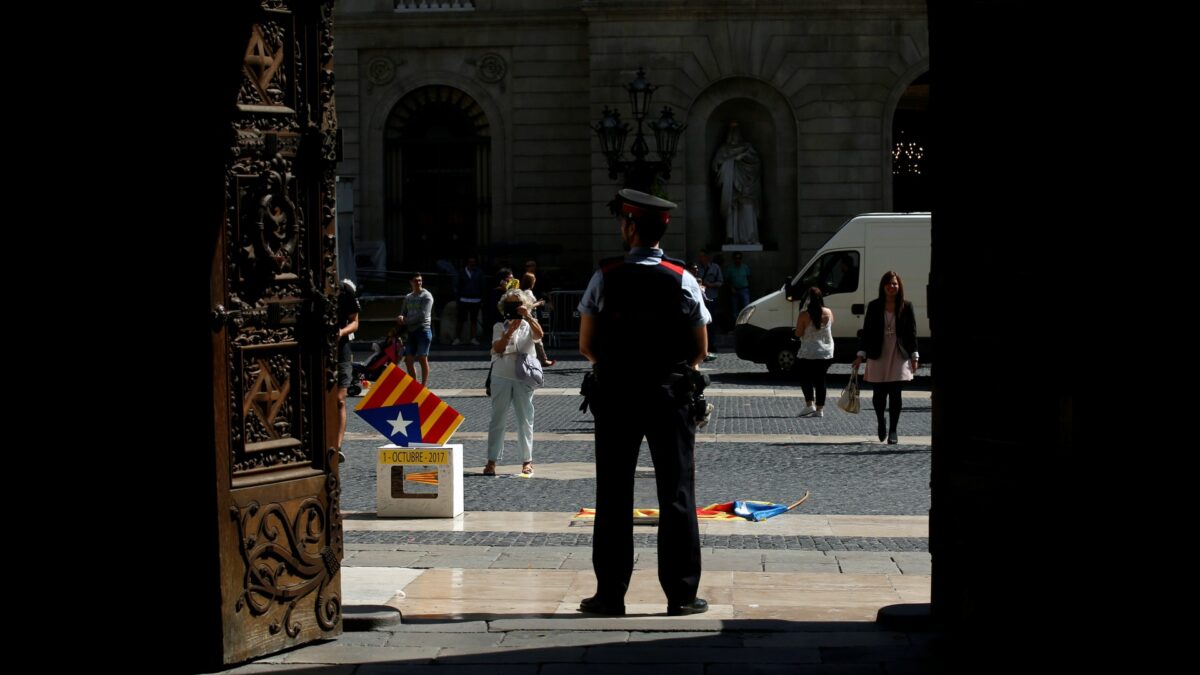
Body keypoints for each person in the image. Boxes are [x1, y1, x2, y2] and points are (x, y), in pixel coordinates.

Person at [577, 188, 711, 617]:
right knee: (676, 492)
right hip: (669, 395)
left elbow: (586, 345)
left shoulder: (605, 276)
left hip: (617, 394)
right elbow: (700, 348)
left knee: (614, 492)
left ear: (631, 227)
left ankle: (610, 594)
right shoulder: (682, 278)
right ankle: (681, 593)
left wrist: (617, 366)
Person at [852, 271, 919, 444]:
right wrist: (860, 355)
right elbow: (866, 332)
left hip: (898, 354)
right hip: (878, 353)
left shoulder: (906, 306)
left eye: (895, 284)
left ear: (899, 286)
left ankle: (893, 430)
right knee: (879, 395)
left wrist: (914, 356)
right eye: (889, 283)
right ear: (883, 286)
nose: (892, 287)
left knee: (896, 394)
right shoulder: (874, 306)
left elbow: (912, 333)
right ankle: (881, 420)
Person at [483, 288, 543, 477]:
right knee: (497, 419)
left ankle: (527, 461)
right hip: (501, 375)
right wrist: (508, 332)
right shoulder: (498, 326)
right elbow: (498, 348)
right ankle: (491, 461)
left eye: (517, 304)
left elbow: (539, 336)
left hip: (523, 377)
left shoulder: (529, 325)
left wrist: (529, 317)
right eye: (510, 304)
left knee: (525, 419)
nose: (514, 308)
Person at [711, 121, 761, 244]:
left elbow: (756, 163)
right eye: (731, 132)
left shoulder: (748, 148)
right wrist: (730, 164)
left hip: (747, 188)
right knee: (732, 213)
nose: (734, 135)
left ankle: (749, 238)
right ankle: (733, 238)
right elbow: (715, 166)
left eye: (736, 132)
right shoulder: (723, 150)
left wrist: (742, 158)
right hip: (731, 188)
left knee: (748, 211)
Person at [794, 287, 834, 417]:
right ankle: (819, 409)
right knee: (820, 380)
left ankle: (809, 404)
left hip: (809, 351)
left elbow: (798, 333)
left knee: (805, 377)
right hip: (825, 351)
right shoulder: (828, 312)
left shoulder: (804, 315)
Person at [335, 279, 360, 463]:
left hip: (341, 350)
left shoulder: (344, 290)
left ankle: (337, 447)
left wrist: (341, 332)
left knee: (339, 400)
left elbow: (355, 322)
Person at [397, 273, 434, 386]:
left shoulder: (427, 296)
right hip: (411, 332)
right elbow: (403, 312)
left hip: (423, 330)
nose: (418, 282)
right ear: (411, 282)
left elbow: (422, 315)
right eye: (416, 280)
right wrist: (401, 317)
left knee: (422, 358)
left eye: (420, 280)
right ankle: (415, 385)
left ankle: (423, 385)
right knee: (408, 360)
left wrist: (406, 321)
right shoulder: (408, 297)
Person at [519, 272, 555, 367]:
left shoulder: (522, 291)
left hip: (528, 316)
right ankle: (543, 360)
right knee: (537, 338)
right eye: (534, 280)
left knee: (534, 338)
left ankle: (542, 359)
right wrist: (539, 303)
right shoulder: (528, 292)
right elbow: (529, 305)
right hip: (530, 316)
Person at [696, 249, 722, 361]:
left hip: (712, 297)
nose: (700, 258)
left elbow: (720, 282)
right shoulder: (697, 268)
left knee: (711, 322)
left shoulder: (715, 268)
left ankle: (712, 344)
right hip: (701, 298)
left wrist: (711, 285)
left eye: (702, 256)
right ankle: (703, 346)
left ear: (706, 257)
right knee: (702, 322)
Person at [453, 256, 484, 346]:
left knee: (474, 320)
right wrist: (458, 299)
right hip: (463, 299)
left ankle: (473, 338)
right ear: (467, 263)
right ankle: (457, 338)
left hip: (476, 300)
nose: (472, 264)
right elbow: (457, 286)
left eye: (473, 262)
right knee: (460, 320)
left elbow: (482, 286)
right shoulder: (462, 272)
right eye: (470, 262)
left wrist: (482, 299)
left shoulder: (479, 272)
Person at [725, 251, 752, 317]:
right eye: (736, 258)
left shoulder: (745, 267)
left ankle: (746, 324)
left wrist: (747, 286)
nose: (738, 260)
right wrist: (731, 287)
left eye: (739, 258)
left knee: (747, 308)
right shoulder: (730, 268)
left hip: (744, 290)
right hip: (734, 291)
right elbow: (726, 280)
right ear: (734, 259)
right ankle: (736, 325)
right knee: (735, 310)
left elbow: (749, 277)